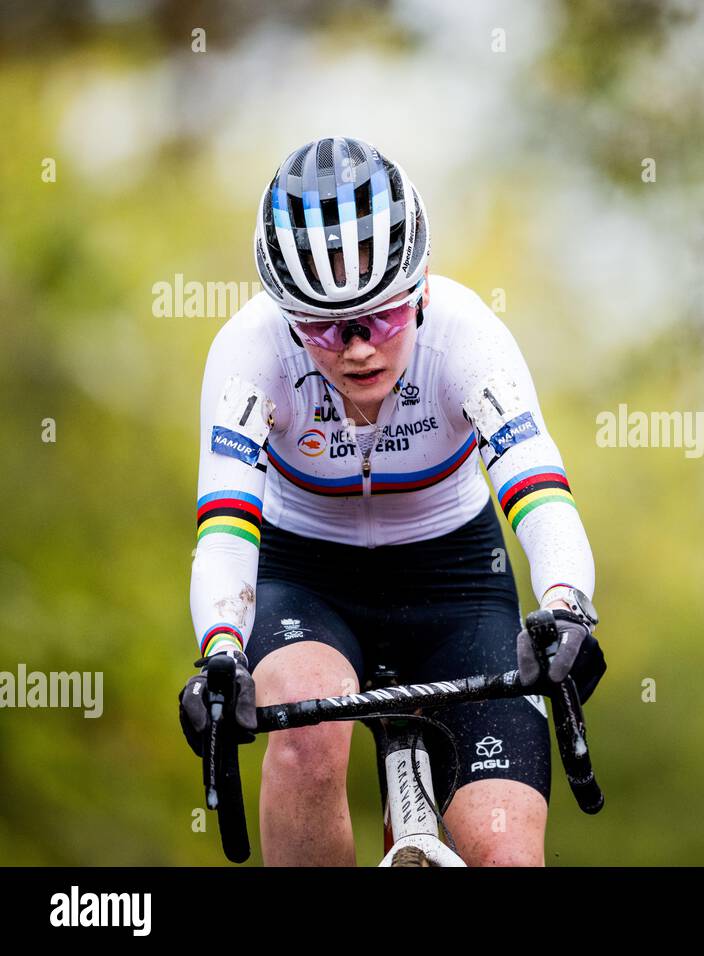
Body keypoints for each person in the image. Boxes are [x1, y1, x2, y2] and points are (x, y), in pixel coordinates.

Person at [177, 136, 604, 866]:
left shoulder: (469, 336)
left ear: (422, 287)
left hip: (457, 585)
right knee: (306, 735)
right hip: (306, 582)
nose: (356, 349)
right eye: (321, 328)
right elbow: (223, 534)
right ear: (284, 316)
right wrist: (220, 651)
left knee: (506, 853)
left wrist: (566, 605)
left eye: (380, 318)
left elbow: (540, 493)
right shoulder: (249, 352)